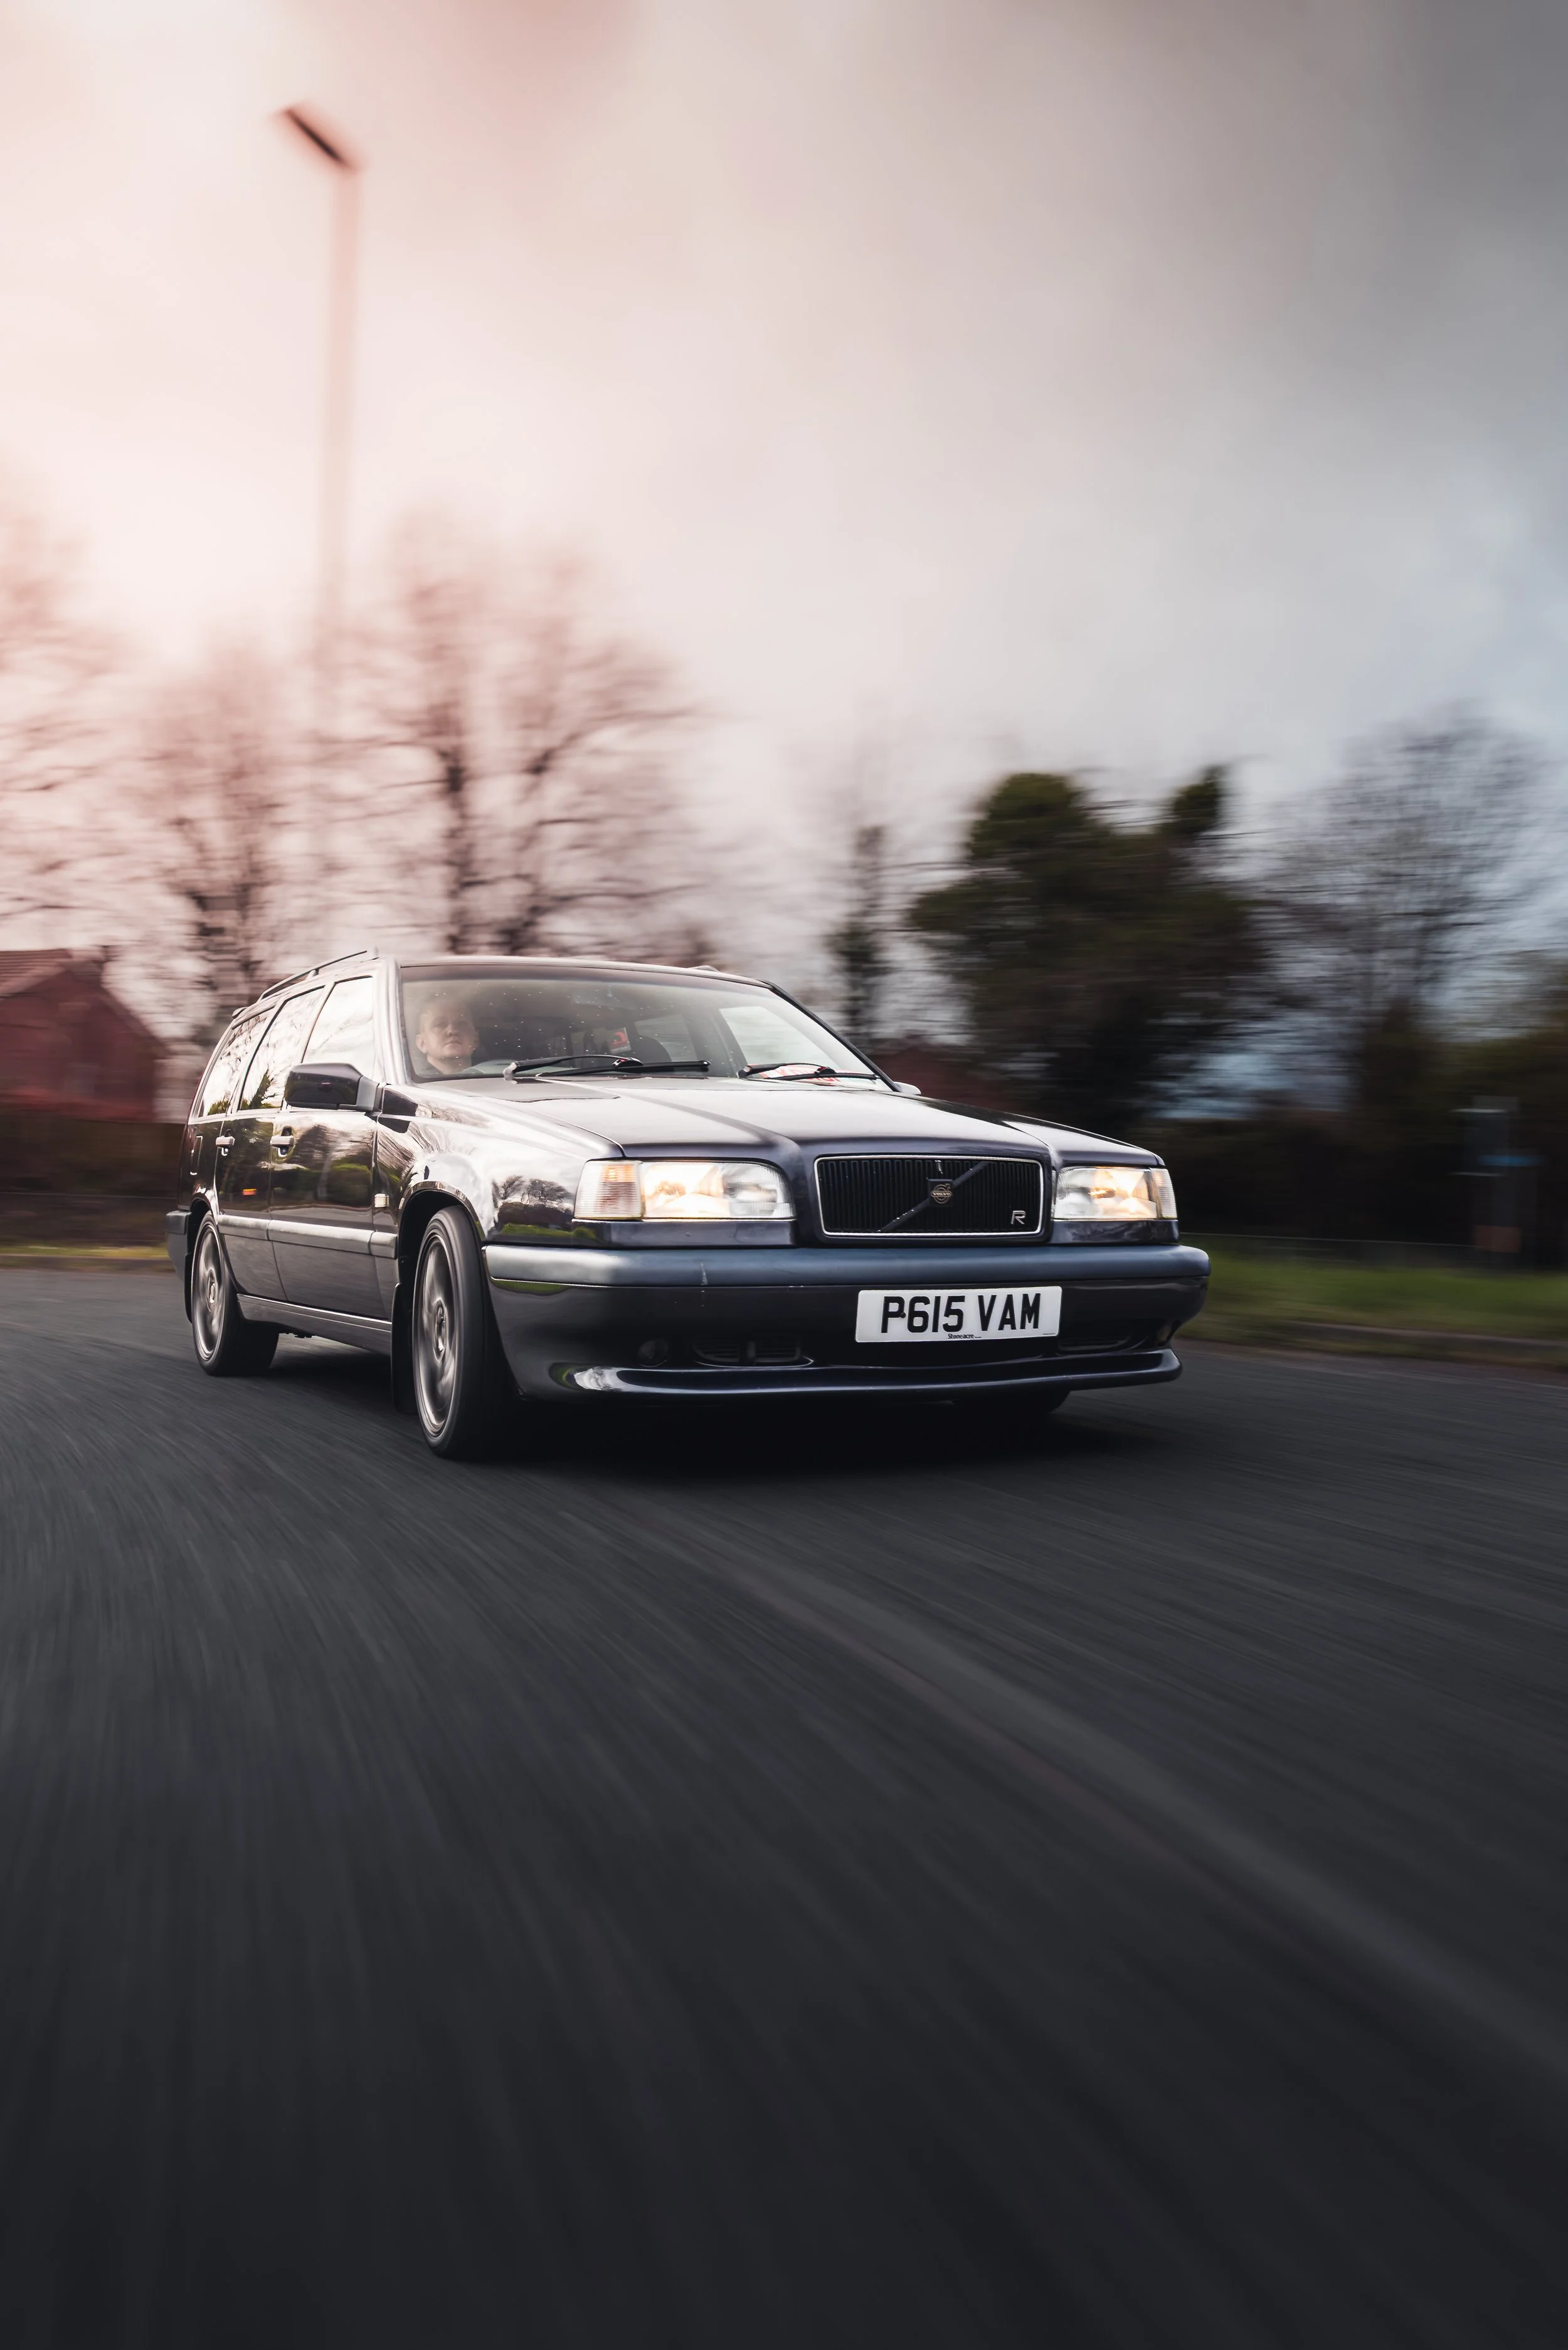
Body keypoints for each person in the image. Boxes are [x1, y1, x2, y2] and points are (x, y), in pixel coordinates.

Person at [413, 993, 480, 1076]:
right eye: (440, 1025)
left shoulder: (496, 1079)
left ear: (476, 1038)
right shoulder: (411, 1087)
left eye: (461, 1024)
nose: (452, 1031)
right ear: (422, 1043)